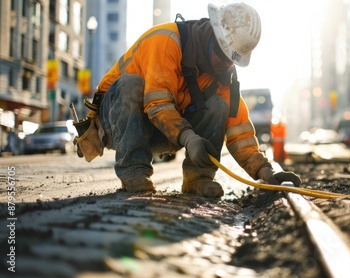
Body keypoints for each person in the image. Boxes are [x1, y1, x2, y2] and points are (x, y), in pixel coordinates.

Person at [79, 2, 301, 197]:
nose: (226, 65)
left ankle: (199, 179)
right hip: (116, 120)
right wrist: (188, 138)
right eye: (224, 56)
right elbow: (158, 104)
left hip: (162, 130)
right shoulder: (165, 41)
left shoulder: (223, 77)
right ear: (211, 36)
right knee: (132, 84)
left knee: (217, 105)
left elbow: (239, 132)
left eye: (232, 61)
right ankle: (133, 171)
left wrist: (266, 171)